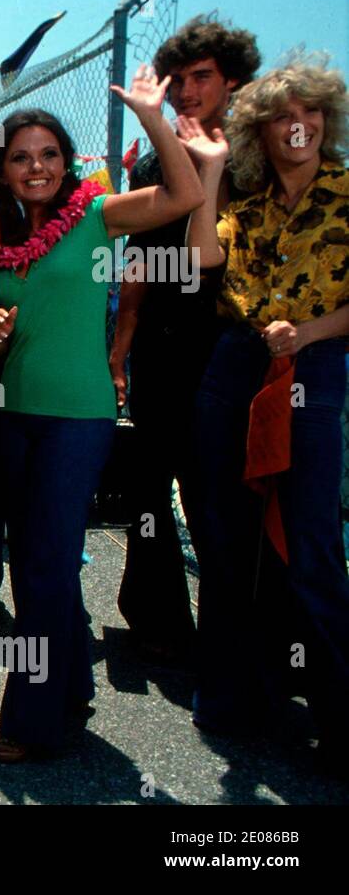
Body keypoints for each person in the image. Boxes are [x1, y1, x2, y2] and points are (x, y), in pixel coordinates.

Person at [0, 66, 204, 762]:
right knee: (38, 566)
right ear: (5, 171)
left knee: (46, 564)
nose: (36, 166)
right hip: (12, 412)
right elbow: (3, 316)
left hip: (78, 416)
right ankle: (72, 688)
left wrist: (150, 117)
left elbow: (185, 194)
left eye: (48, 154)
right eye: (21, 157)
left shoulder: (100, 216)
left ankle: (32, 720)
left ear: (68, 162)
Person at [184, 54, 349, 769]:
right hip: (238, 365)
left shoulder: (347, 194)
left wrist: (306, 335)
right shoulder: (244, 204)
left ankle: (338, 715)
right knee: (226, 537)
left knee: (310, 544)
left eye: (311, 113)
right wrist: (212, 169)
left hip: (312, 367)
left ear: (327, 121)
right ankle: (230, 697)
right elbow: (200, 259)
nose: (299, 125)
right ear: (262, 127)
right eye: (284, 114)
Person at [107, 16, 261, 663]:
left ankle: (245, 640)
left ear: (232, 79)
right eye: (179, 82)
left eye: (203, 78)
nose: (188, 91)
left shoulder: (259, 156)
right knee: (147, 488)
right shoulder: (154, 157)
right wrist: (119, 349)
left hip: (234, 346)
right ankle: (158, 622)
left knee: (221, 495)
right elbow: (141, 267)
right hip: (164, 347)